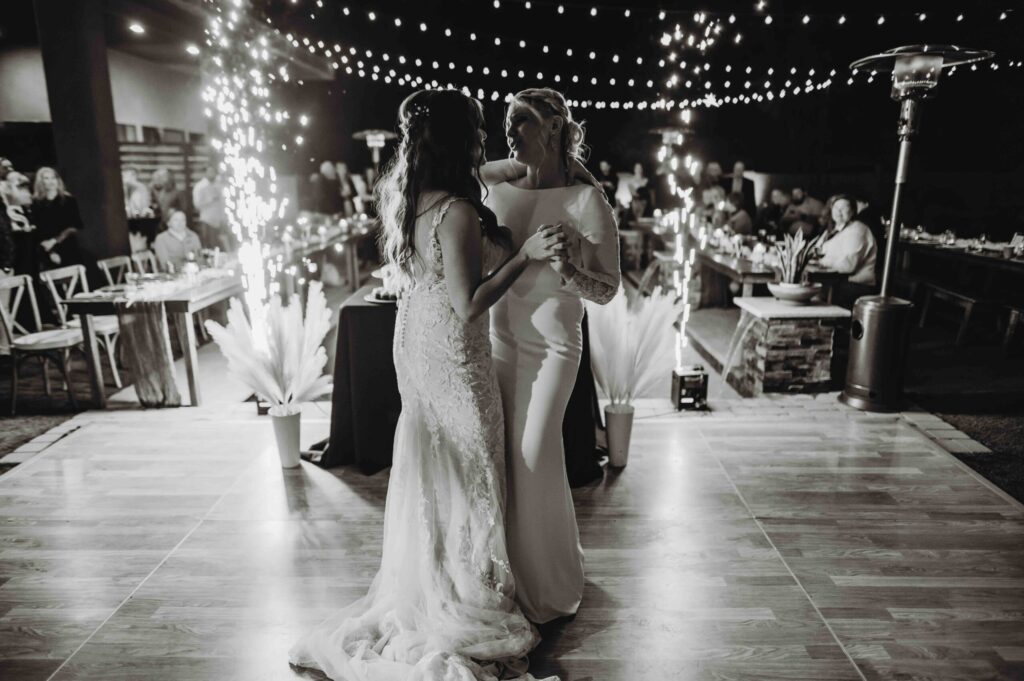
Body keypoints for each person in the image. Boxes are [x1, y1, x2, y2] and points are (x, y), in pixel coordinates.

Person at [289, 89, 564, 681]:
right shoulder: (459, 211)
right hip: (453, 347)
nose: (485, 140)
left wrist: (543, 149)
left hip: (417, 338)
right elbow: (469, 304)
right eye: (477, 131)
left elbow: (503, 171)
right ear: (456, 140)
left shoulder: (416, 195)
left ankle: (438, 577)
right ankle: (466, 594)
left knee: (439, 464)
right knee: (473, 462)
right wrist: (526, 255)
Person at [485, 87, 620, 624]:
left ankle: (548, 584)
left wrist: (568, 269)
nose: (509, 130)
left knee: (536, 452)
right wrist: (543, 159)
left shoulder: (589, 203)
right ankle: (509, 578)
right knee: (504, 460)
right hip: (498, 342)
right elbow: (477, 168)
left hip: (555, 347)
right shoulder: (497, 189)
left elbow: (607, 290)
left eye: (520, 120)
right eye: (507, 120)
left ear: (554, 126)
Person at [815, 195, 878, 304]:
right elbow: (816, 251)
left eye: (844, 208)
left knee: (814, 294)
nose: (839, 211)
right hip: (835, 282)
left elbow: (848, 265)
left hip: (855, 285)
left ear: (852, 211)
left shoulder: (858, 229)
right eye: (836, 207)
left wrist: (821, 262)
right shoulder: (832, 230)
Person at [32, 167, 84, 269]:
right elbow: (37, 230)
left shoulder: (68, 200)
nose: (51, 181)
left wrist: (54, 241)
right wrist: (51, 251)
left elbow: (75, 226)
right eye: (46, 178)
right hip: (46, 249)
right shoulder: (36, 203)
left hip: (68, 245)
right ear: (41, 182)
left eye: (53, 178)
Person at [192, 165, 228, 250]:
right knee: (209, 247)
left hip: (219, 222)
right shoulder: (200, 187)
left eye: (213, 172)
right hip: (207, 221)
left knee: (220, 247)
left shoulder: (219, 186)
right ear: (205, 173)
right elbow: (197, 205)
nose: (212, 174)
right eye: (209, 171)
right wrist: (210, 200)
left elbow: (223, 203)